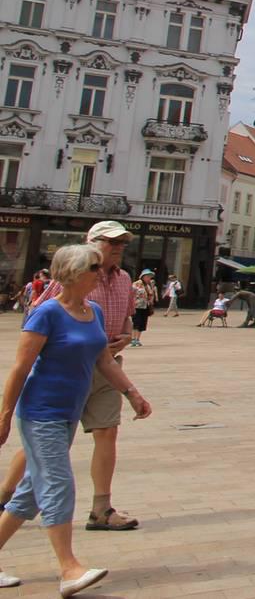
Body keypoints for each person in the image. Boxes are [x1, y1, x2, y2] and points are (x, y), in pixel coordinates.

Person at [0, 243, 152, 595]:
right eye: (93, 268)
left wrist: (132, 393)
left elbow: (104, 360)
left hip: (68, 412)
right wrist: (5, 416)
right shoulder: (46, 314)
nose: (100, 273)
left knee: (30, 493)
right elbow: (20, 368)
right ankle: (69, 568)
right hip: (41, 414)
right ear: (71, 273)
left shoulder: (92, 311)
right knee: (58, 485)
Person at [25, 222, 141, 532]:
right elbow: (40, 316)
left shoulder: (124, 279)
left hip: (108, 367)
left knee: (107, 431)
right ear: (91, 242)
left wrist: (126, 335)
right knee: (48, 442)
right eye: (111, 242)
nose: (118, 248)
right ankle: (6, 497)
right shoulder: (74, 275)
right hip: (69, 369)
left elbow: (128, 316)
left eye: (122, 243)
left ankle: (101, 509)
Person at [130, 272, 156, 348]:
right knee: (136, 322)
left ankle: (137, 339)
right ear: (143, 276)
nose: (149, 278)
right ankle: (133, 338)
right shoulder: (136, 284)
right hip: (137, 306)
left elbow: (151, 295)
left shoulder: (148, 285)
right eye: (148, 276)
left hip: (145, 306)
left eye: (150, 277)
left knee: (142, 323)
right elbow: (131, 293)